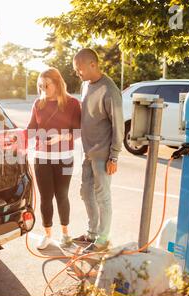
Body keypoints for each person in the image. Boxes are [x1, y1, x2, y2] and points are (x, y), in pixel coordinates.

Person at [72, 48, 124, 251]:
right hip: (88, 152)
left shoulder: (109, 90)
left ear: (92, 64)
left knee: (103, 197)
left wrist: (114, 157)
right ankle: (91, 233)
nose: (78, 73)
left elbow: (118, 125)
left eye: (79, 69)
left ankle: (102, 240)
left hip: (103, 155)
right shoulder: (86, 86)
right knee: (86, 192)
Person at [27, 67, 81, 250]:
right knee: (45, 198)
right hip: (42, 158)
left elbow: (78, 130)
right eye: (40, 86)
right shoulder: (38, 104)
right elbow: (31, 129)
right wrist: (14, 139)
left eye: (46, 85)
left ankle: (65, 234)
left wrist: (61, 137)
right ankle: (48, 234)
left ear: (57, 83)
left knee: (62, 196)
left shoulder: (72, 103)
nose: (43, 89)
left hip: (64, 157)